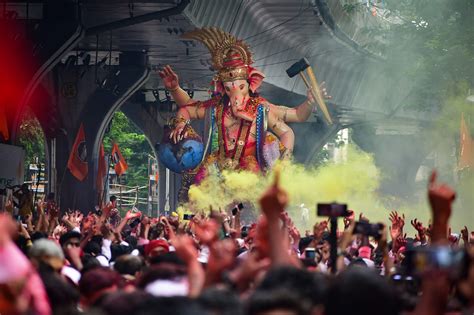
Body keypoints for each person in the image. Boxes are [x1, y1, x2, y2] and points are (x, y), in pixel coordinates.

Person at [159, 27, 324, 178]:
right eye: (229, 88)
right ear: (222, 88)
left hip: (252, 175)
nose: (235, 94)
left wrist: (310, 102)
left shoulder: (261, 109)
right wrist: (175, 93)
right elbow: (188, 108)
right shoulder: (218, 107)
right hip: (222, 171)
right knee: (199, 191)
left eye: (241, 87)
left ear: (252, 83)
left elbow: (296, 116)